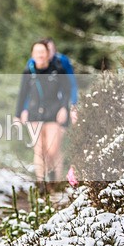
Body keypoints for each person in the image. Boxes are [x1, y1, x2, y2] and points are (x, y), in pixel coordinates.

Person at [15, 40, 73, 184]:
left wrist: (64, 109)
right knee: (39, 150)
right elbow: (22, 94)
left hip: (54, 114)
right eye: (37, 52)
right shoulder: (29, 71)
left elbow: (67, 91)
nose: (40, 55)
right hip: (34, 114)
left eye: (43, 52)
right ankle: (41, 183)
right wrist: (17, 114)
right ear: (32, 54)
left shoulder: (58, 69)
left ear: (48, 54)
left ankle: (55, 182)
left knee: (53, 150)